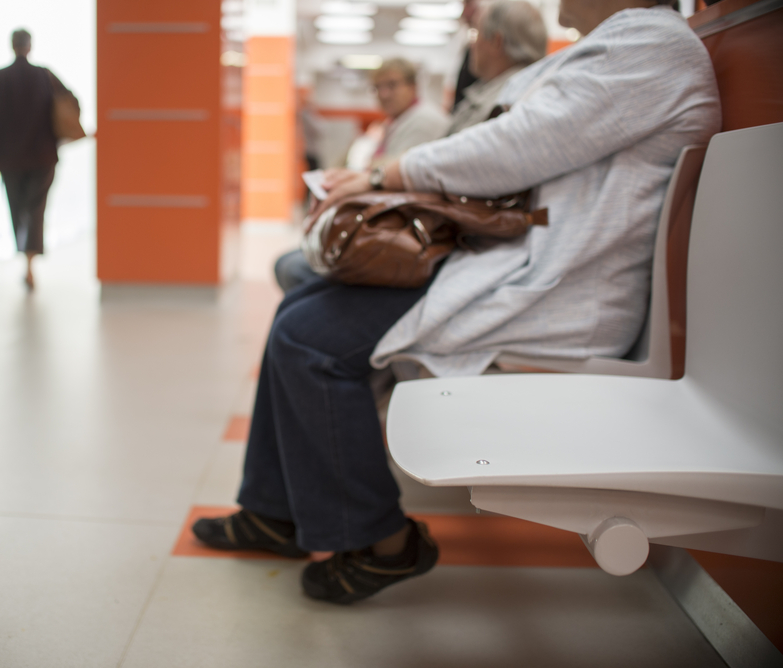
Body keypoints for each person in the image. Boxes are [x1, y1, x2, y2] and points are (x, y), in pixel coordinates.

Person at [194, 0, 720, 605]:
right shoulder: (629, 45)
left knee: (307, 337)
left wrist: (383, 176)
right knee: (300, 308)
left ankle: (383, 543)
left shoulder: (651, 49)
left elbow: (517, 146)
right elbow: (517, 140)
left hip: (550, 290)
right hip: (517, 264)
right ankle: (272, 510)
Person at [275, 59, 449, 292]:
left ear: (412, 86)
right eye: (378, 88)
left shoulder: (424, 121)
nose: (384, 94)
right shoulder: (396, 122)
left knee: (293, 269)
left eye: (392, 85)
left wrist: (355, 180)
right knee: (289, 264)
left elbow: (395, 175)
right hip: (388, 225)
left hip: (402, 234)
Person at [0, 29, 75, 290]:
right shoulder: (45, 76)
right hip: (42, 156)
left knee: (18, 208)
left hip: (10, 158)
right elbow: (72, 102)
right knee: (35, 209)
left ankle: (27, 262)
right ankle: (30, 264)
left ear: (12, 46)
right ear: (29, 47)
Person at [446, 0, 546, 136]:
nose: (472, 45)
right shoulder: (535, 91)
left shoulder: (507, 105)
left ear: (496, 42)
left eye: (476, 33)